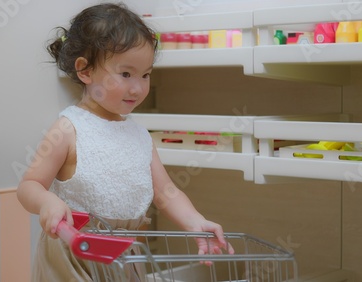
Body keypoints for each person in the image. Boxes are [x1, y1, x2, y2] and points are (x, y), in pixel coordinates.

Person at [17, 3, 233, 281]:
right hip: (75, 254)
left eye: (146, 75)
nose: (138, 87)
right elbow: (29, 185)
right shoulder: (68, 130)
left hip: (126, 256)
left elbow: (166, 192)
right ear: (85, 71)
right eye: (126, 74)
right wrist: (46, 202)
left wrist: (195, 221)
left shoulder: (140, 136)